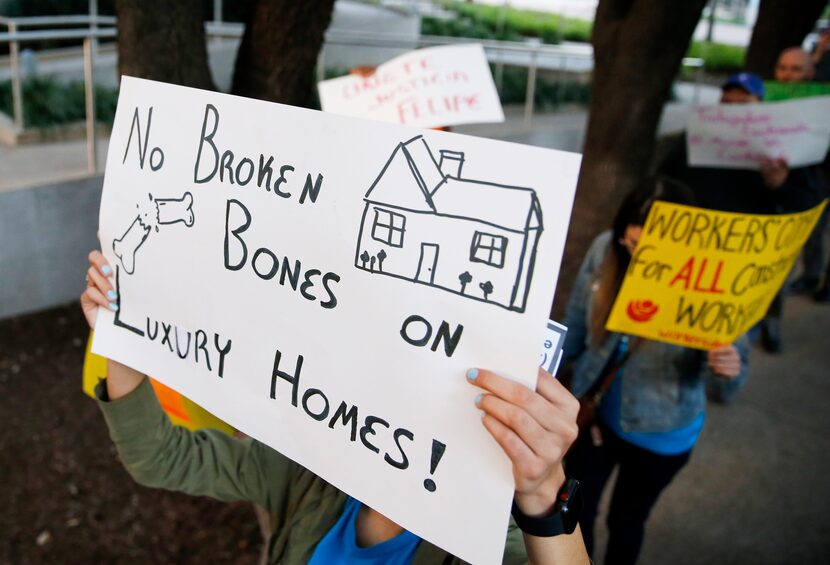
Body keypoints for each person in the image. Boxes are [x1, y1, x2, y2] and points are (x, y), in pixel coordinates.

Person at [81, 251, 589, 564]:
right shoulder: (311, 468)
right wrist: (123, 336)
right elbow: (162, 458)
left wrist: (544, 492)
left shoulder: (480, 536)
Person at [562, 178, 749, 565]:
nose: (637, 254)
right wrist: (548, 366)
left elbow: (729, 381)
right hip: (595, 418)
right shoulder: (605, 249)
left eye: (653, 247)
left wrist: (727, 366)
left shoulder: (713, 276)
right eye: (631, 242)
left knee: (627, 522)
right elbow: (576, 326)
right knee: (576, 516)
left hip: (663, 432)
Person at [655, 72, 822, 351]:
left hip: (744, 260)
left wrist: (779, 185)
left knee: (732, 341)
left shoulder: (782, 148)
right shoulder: (695, 138)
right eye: (726, 103)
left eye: (741, 106)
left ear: (760, 108)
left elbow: (806, 203)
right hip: (693, 253)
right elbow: (663, 180)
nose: (732, 111)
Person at [771, 47, 829, 297]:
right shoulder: (773, 98)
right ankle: (810, 275)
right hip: (809, 175)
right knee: (812, 229)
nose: (787, 75)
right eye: (783, 68)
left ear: (810, 73)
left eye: (795, 69)